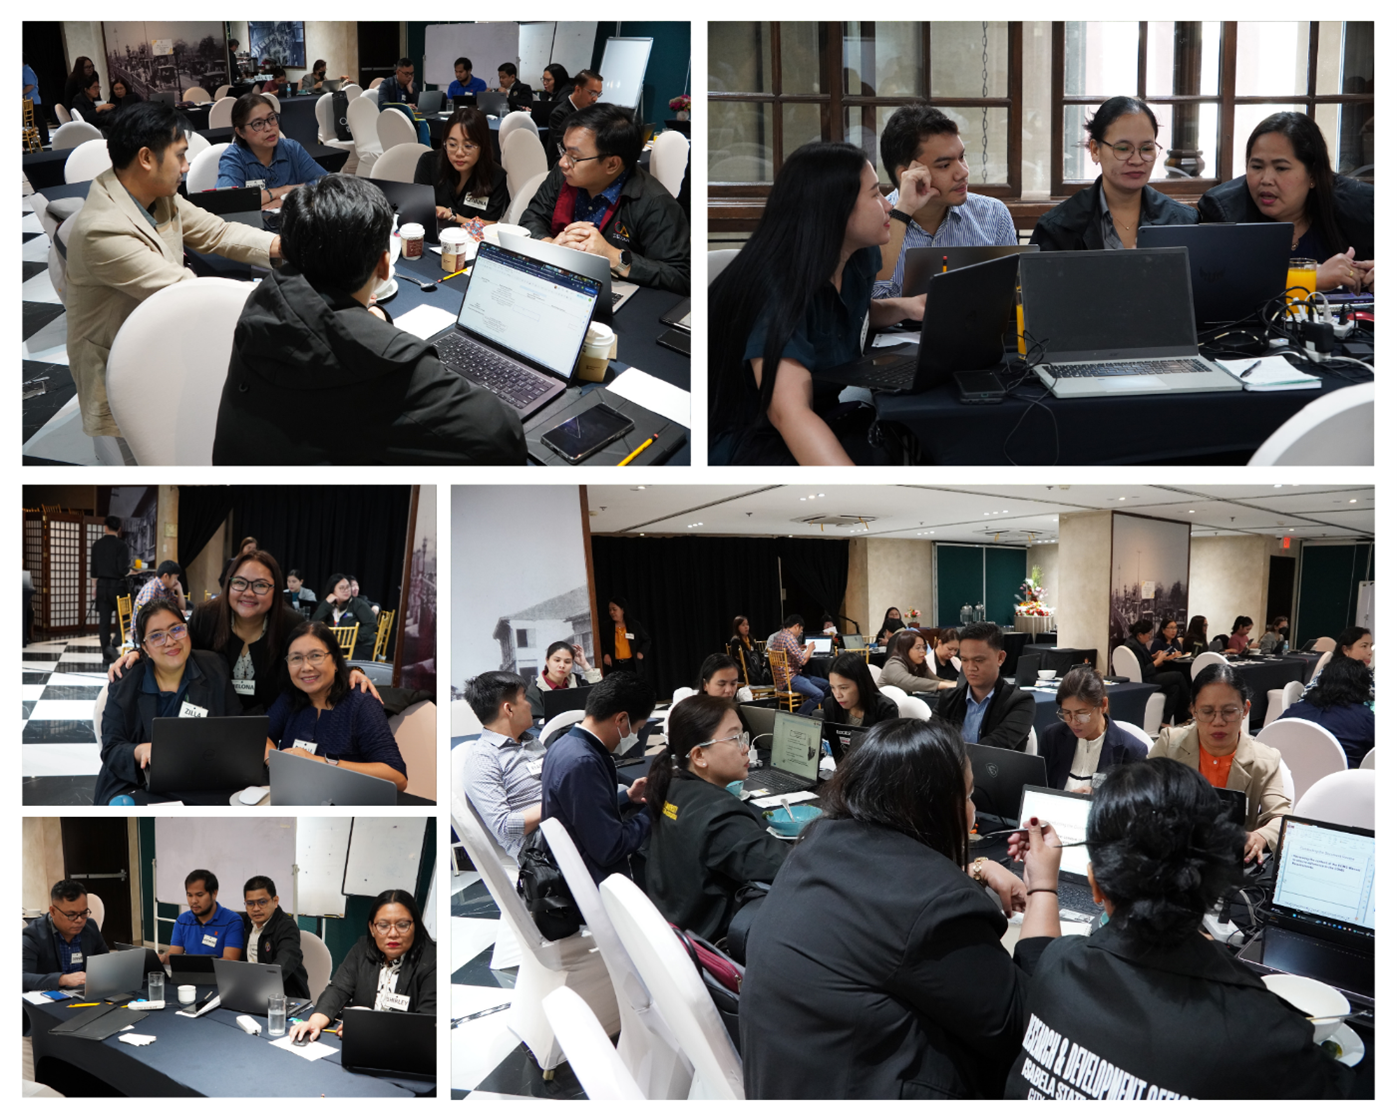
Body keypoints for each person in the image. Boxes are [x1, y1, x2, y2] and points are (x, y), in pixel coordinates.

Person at [741, 717, 1062, 1099]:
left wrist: (978, 867)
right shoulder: (937, 908)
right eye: (968, 795)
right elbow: (1033, 1025)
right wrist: (1044, 886)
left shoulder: (816, 841)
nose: (973, 811)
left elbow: (887, 883)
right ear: (931, 807)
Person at [1004, 758, 1353, 1100]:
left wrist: (1043, 883)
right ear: (1216, 881)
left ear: (1096, 887)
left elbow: (1035, 951)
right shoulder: (1263, 1033)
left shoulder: (1057, 970)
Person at [213, 174, 525, 465]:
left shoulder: (262, 303)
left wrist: (368, 319)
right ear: (384, 265)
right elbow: (502, 435)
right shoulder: (386, 360)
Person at [66, 101, 278, 449]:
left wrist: (283, 246)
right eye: (180, 155)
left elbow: (218, 233)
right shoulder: (102, 230)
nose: (186, 166)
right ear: (147, 158)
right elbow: (185, 294)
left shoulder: (157, 195)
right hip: (121, 369)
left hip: (161, 339)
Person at [709, 142, 926, 465]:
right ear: (835, 210)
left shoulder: (853, 256)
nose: (886, 204)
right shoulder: (779, 291)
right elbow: (789, 412)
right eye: (874, 194)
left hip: (822, 414)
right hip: (752, 437)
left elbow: (848, 315)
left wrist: (906, 307)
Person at [109, 550, 381, 713]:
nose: (248, 593)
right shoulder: (207, 616)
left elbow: (320, 658)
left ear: (276, 590)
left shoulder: (290, 624)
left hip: (275, 723)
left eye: (261, 585)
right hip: (213, 719)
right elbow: (175, 649)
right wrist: (139, 653)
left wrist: (354, 672)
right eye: (239, 583)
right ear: (228, 585)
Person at [645, 695, 788, 941]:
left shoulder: (671, 784)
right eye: (734, 739)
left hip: (675, 925)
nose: (745, 747)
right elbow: (786, 866)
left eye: (743, 736)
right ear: (699, 756)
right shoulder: (720, 816)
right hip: (712, 944)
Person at [520, 103, 690, 294]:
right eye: (564, 150)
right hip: (555, 284)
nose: (563, 162)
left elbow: (681, 277)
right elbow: (530, 218)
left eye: (574, 157)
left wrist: (613, 256)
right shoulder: (563, 176)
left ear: (612, 164)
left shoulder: (654, 203)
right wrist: (550, 246)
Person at [1200, 111, 1373, 294]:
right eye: (1256, 166)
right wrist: (1309, 280)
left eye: (1281, 168)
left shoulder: (1361, 208)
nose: (1266, 179)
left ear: (1313, 174)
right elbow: (1217, 289)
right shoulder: (1224, 212)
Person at [96, 600, 242, 804]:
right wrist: (139, 751)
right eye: (156, 636)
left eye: (176, 630)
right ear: (145, 647)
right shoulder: (126, 681)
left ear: (187, 631)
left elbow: (236, 728)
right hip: (138, 782)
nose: (170, 641)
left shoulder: (215, 667)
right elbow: (111, 748)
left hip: (202, 780)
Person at [872, 102, 1018, 298]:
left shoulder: (993, 215)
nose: (963, 172)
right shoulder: (873, 224)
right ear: (907, 174)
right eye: (945, 165)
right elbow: (867, 306)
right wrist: (904, 210)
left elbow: (1013, 296)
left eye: (962, 157)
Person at [1149, 663, 1290, 862]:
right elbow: (1139, 794)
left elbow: (1282, 817)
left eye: (1229, 711)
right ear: (1193, 710)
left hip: (1228, 864)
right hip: (1173, 857)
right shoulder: (1169, 744)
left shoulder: (1265, 760)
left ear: (1245, 710)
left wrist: (1260, 836)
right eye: (1207, 712)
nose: (1218, 722)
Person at [1031, 96, 1198, 251]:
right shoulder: (1058, 228)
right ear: (1095, 150)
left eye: (1146, 148)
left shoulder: (1184, 222)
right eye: (1123, 149)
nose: (1136, 160)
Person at [264, 621, 409, 791]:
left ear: (335, 661)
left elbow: (397, 777)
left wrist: (319, 762)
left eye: (316, 656)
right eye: (296, 658)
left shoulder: (361, 704)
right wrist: (273, 761)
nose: (306, 667)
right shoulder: (290, 698)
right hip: (296, 796)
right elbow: (261, 736)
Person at [539, 672, 655, 883]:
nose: (635, 737)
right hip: (592, 880)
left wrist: (627, 797)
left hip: (575, 863)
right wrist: (653, 811)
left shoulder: (563, 744)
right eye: (636, 729)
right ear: (621, 719)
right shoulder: (583, 762)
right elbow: (611, 847)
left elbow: (581, 812)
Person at [288, 890, 435, 1042]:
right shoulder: (362, 949)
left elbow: (427, 1022)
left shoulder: (432, 960)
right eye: (383, 925)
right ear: (372, 928)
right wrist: (315, 1022)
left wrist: (372, 1027)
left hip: (404, 1048)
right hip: (359, 1044)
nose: (393, 933)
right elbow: (338, 989)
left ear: (415, 926)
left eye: (403, 925)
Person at [462, 671, 545, 858]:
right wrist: (559, 802)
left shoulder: (530, 741)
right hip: (540, 847)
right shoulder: (483, 759)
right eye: (524, 698)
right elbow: (505, 827)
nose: (530, 704)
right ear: (509, 709)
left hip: (567, 820)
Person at [1038, 666, 1147, 792]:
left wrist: (1096, 799)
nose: (1073, 722)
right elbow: (1039, 788)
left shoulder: (1131, 751)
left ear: (1103, 705)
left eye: (1081, 714)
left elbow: (1134, 805)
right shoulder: (1053, 736)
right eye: (1067, 713)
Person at [215, 93, 326, 207]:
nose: (269, 128)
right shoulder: (234, 157)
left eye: (271, 118)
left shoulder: (292, 149)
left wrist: (287, 196)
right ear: (240, 132)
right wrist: (281, 191)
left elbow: (325, 184)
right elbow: (226, 200)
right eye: (258, 124)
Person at [936, 622, 1035, 751]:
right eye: (964, 660)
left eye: (979, 660)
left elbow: (993, 748)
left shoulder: (1020, 702)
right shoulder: (949, 698)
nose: (971, 667)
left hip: (997, 770)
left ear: (1000, 658)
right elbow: (930, 739)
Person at [414, 107, 509, 227]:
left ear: (482, 146)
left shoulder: (496, 176)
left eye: (468, 146)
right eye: (452, 144)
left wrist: (453, 217)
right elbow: (418, 210)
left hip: (472, 242)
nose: (459, 153)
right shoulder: (429, 162)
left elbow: (488, 225)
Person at [1282, 655, 1374, 768]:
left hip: (1293, 776)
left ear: (1321, 682)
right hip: (1342, 781)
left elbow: (1271, 735)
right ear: (1362, 687)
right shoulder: (1364, 717)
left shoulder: (1296, 710)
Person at [23, 880, 109, 991]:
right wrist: (62, 979)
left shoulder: (90, 926)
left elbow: (105, 963)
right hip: (51, 997)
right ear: (53, 911)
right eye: (71, 915)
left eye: (83, 913)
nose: (79, 920)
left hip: (85, 994)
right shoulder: (34, 934)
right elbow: (22, 978)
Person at [241, 876, 309, 998]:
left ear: (275, 901)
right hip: (250, 994)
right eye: (250, 903)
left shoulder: (287, 927)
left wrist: (255, 987)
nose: (256, 909)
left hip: (285, 997)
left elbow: (282, 966)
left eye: (262, 902)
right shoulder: (243, 922)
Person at [163, 871, 245, 961]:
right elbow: (174, 955)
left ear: (214, 894)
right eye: (189, 895)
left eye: (199, 895)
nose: (193, 901)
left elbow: (230, 960)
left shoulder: (232, 921)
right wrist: (162, 958)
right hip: (189, 973)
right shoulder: (182, 920)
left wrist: (193, 966)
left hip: (220, 974)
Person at [1122, 618, 1188, 724]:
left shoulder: (1134, 643)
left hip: (1145, 677)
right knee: (1179, 675)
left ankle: (1165, 722)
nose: (1150, 637)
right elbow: (1144, 670)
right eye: (1148, 634)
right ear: (1140, 634)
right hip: (1145, 680)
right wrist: (1158, 660)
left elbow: (1142, 662)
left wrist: (1153, 656)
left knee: (1174, 688)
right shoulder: (1135, 647)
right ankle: (1189, 706)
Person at [767, 614, 830, 715]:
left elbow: (786, 653)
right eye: (801, 629)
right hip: (790, 679)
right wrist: (809, 649)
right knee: (819, 694)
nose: (800, 632)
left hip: (782, 679)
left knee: (826, 685)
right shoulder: (790, 638)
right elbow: (803, 661)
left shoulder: (779, 636)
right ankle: (799, 716)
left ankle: (817, 714)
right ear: (796, 626)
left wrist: (799, 648)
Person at [523, 639, 601, 719]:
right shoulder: (535, 691)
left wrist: (585, 664)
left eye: (567, 662)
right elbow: (535, 722)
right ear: (547, 661)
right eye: (557, 660)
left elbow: (601, 695)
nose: (562, 665)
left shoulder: (578, 683)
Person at [90, 515, 130, 662]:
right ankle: (115, 642)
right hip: (117, 586)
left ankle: (106, 656)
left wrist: (94, 587)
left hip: (101, 586)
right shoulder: (122, 546)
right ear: (119, 529)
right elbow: (123, 570)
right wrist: (134, 571)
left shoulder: (97, 545)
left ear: (105, 527)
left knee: (104, 622)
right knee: (124, 617)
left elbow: (93, 571)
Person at [310, 573, 379, 659]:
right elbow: (314, 623)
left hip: (359, 646)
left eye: (347, 587)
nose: (346, 590)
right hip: (335, 646)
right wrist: (326, 603)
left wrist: (352, 639)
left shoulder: (358, 604)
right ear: (332, 590)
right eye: (342, 588)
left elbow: (371, 624)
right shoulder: (328, 606)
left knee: (349, 664)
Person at [822, 652, 898, 727]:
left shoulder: (885, 709)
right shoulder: (831, 705)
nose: (837, 695)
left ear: (861, 684)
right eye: (833, 687)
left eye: (843, 688)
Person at [545, 69, 603, 166]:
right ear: (578, 90)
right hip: (562, 165)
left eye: (598, 94)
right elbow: (566, 147)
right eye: (592, 93)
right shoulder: (559, 114)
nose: (595, 98)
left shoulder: (592, 112)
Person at [1303, 625, 1373, 700]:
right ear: (1345, 650)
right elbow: (1305, 698)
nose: (1370, 652)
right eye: (1364, 646)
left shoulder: (1370, 675)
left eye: (1370, 646)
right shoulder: (1328, 674)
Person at [882, 629, 949, 694]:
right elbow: (910, 682)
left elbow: (936, 680)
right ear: (905, 649)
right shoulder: (893, 664)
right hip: (885, 704)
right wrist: (944, 685)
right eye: (918, 648)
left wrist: (956, 684)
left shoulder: (920, 662)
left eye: (924, 647)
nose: (923, 651)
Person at [598, 597, 650, 678]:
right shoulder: (606, 627)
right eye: (610, 610)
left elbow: (647, 640)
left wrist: (641, 652)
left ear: (622, 610)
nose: (612, 612)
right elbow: (599, 643)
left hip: (631, 665)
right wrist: (605, 654)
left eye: (614, 609)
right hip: (614, 666)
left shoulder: (634, 625)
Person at [727, 615, 766, 688]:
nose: (746, 627)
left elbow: (757, 652)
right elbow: (738, 657)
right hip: (743, 669)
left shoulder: (750, 638)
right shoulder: (735, 641)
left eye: (747, 624)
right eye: (743, 625)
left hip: (754, 666)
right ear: (737, 627)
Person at [23, 58, 49, 147]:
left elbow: (30, 85)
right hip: (27, 101)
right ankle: (26, 141)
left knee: (39, 120)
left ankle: (45, 139)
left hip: (32, 100)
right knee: (29, 123)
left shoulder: (26, 70)